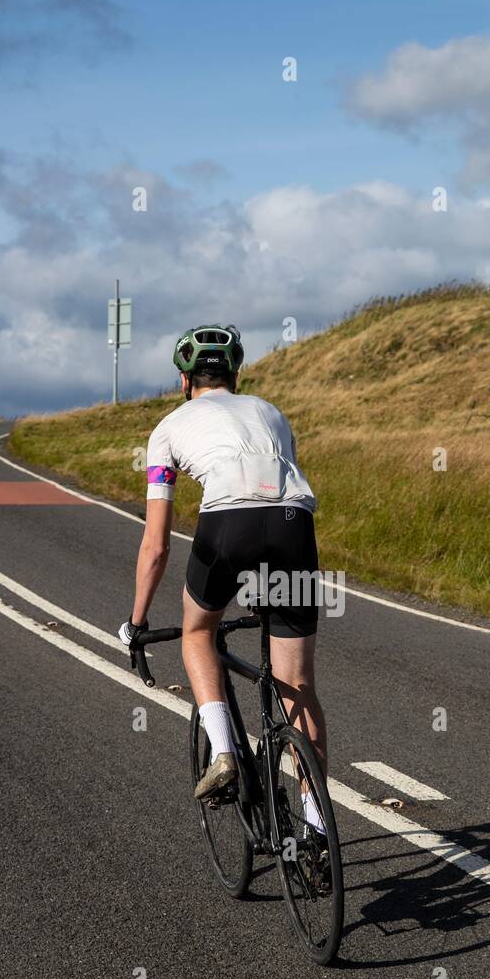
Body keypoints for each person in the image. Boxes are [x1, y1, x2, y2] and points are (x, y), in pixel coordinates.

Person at [119, 325, 327, 830]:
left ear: (184, 380)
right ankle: (318, 828)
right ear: (235, 374)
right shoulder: (272, 412)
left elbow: (157, 544)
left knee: (198, 633)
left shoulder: (168, 428)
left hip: (227, 525)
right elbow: (274, 495)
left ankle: (224, 752)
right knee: (296, 684)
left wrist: (137, 621)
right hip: (294, 526)